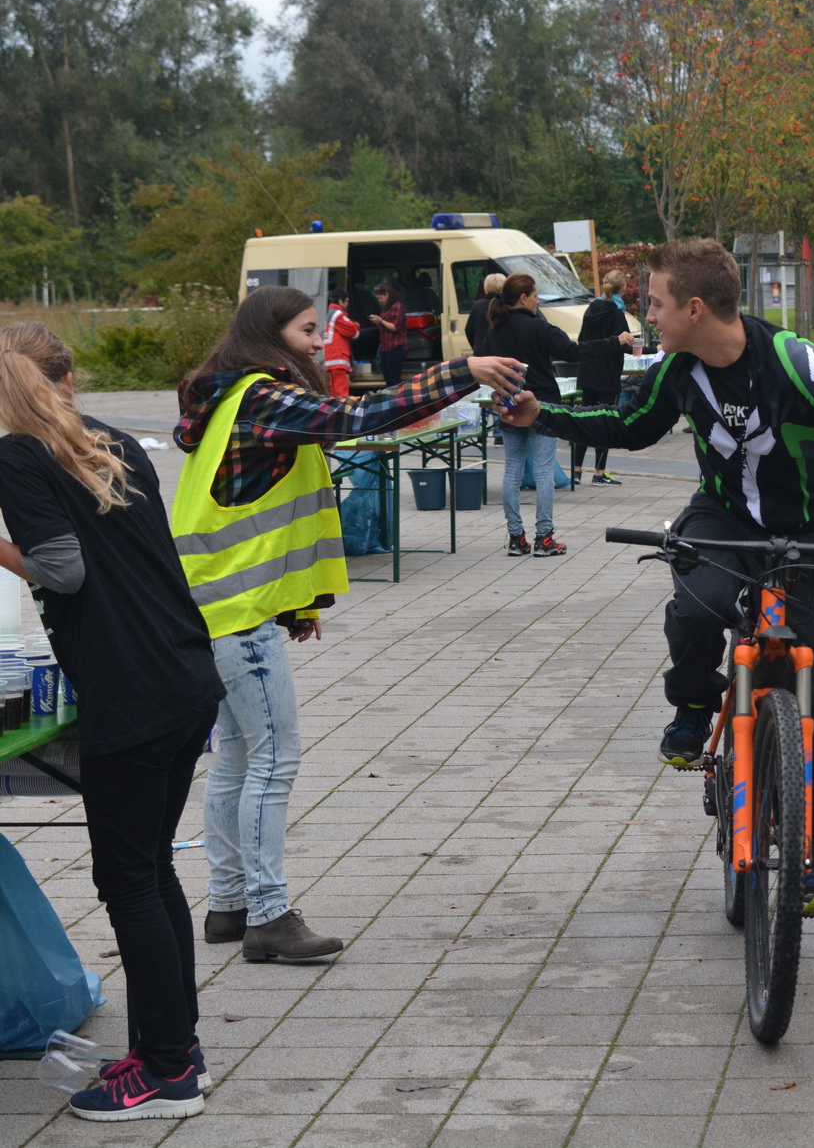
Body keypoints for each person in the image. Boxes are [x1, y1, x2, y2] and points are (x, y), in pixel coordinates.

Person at [498, 238, 814, 913]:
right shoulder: (680, 368)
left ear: (695, 307)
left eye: (655, 302)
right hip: (722, 518)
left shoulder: (797, 363)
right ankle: (692, 704)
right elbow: (629, 423)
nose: (648, 315)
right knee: (697, 606)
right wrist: (544, 415)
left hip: (802, 532)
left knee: (811, 704)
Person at [174, 286, 524, 962]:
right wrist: (460, 373)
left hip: (210, 611)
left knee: (238, 759)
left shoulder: (224, 400)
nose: (319, 341)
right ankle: (269, 915)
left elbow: (247, 505)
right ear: (270, 334)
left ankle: (228, 903)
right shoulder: (262, 397)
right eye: (308, 330)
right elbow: (358, 416)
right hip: (235, 620)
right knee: (273, 760)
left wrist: (298, 605)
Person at [0, 325, 223, 1122]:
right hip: (184, 674)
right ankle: (177, 1047)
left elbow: (63, 567)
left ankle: (166, 1071)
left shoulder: (20, 456)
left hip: (131, 692)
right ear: (64, 376)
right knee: (150, 869)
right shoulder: (113, 440)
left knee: (127, 878)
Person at [483, 273, 592, 555]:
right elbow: (572, 352)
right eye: (535, 295)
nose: (538, 300)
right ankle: (544, 537)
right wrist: (615, 343)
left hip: (509, 404)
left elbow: (482, 361)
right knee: (544, 471)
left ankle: (516, 538)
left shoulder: (495, 329)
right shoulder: (539, 327)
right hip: (542, 406)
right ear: (523, 298)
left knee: (512, 471)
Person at [571, 269, 635, 486]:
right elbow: (626, 345)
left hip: (588, 370)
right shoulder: (617, 313)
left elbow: (581, 339)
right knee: (606, 420)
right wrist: (650, 350)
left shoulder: (590, 309)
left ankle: (576, 471)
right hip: (608, 373)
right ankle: (599, 472)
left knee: (584, 418)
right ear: (623, 288)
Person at [369, 279, 408, 386]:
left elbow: (395, 327)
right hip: (385, 347)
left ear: (387, 294)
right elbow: (384, 326)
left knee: (394, 377)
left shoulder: (397, 306)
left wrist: (381, 321)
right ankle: (391, 399)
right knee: (387, 377)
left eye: (381, 298)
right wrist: (378, 321)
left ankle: (397, 399)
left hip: (396, 347)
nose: (379, 300)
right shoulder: (386, 308)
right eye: (378, 298)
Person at [321, 289, 358, 397]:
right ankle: (342, 412)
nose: (347, 304)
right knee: (341, 391)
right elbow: (353, 331)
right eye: (346, 301)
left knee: (334, 390)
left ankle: (335, 411)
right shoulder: (338, 314)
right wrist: (357, 324)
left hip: (332, 357)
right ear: (340, 301)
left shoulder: (331, 313)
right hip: (338, 357)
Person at [465, 272, 506, 351]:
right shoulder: (508, 305)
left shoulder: (477, 306)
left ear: (486, 287)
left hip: (481, 352)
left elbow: (468, 330)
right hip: (502, 353)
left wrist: (476, 346)